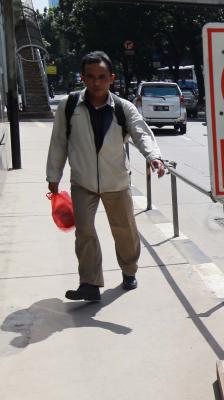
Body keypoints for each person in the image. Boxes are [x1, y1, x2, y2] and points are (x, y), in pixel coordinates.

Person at [46, 51, 166, 302]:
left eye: (102, 77)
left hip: (116, 181)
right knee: (84, 232)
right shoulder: (70, 105)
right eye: (90, 77)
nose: (96, 82)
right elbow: (58, 142)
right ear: (83, 78)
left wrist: (153, 157)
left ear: (111, 78)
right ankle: (89, 283)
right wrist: (53, 176)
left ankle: (129, 270)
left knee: (125, 231)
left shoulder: (123, 108)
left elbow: (141, 134)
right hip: (82, 181)